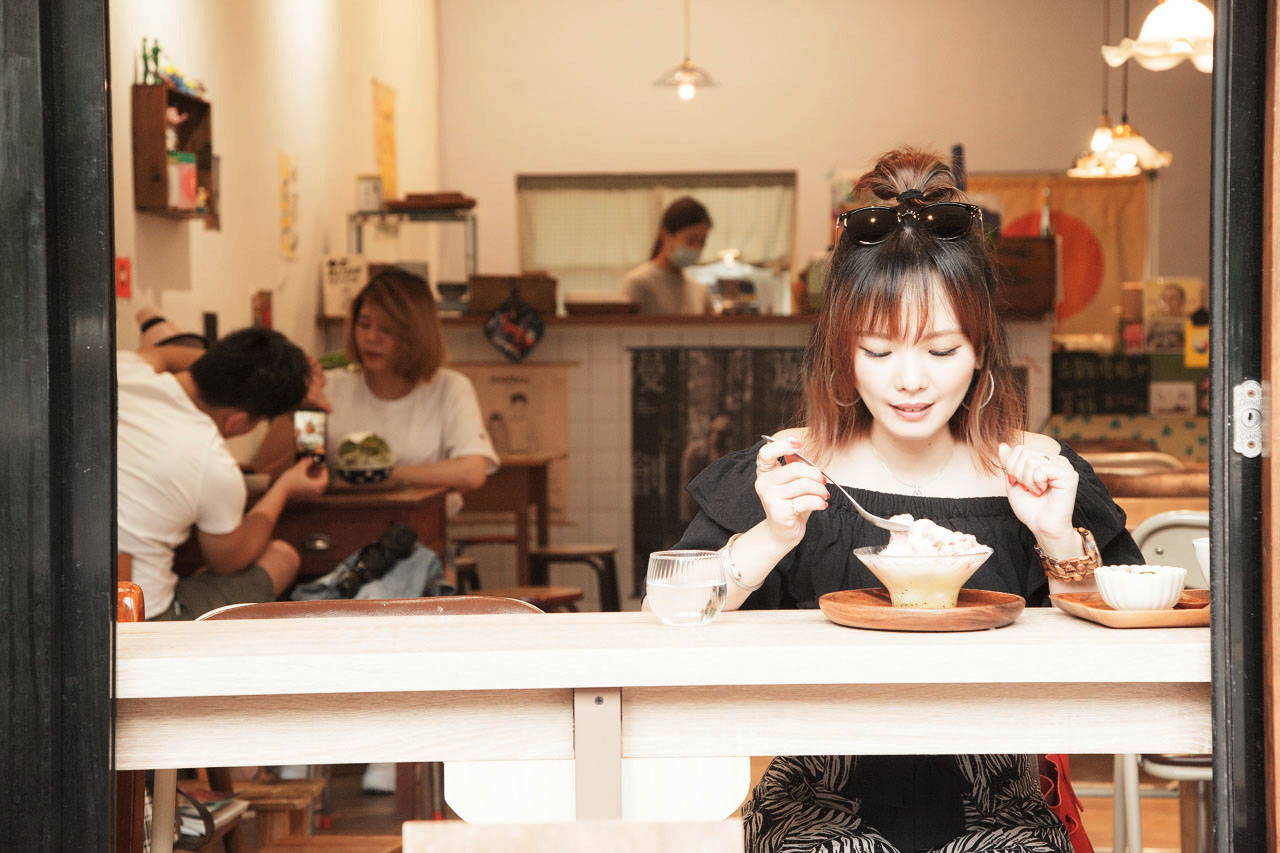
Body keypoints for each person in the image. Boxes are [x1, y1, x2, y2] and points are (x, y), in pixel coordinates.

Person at [672, 148, 1142, 853]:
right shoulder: (790, 466)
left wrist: (1057, 540)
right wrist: (770, 536)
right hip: (816, 803)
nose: (911, 381)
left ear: (981, 350)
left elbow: (1129, 654)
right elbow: (669, 614)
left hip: (999, 806)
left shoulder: (1039, 470)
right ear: (842, 349)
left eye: (942, 351)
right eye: (879, 351)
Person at [253, 267, 499, 795]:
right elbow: (266, 463)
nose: (371, 339)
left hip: (418, 547)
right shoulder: (337, 388)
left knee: (383, 595)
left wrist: (393, 475)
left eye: (387, 329)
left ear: (416, 334)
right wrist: (305, 406)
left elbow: (473, 470)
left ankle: (387, 744)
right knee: (307, 603)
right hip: (331, 546)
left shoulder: (447, 389)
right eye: (364, 324)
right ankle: (308, 739)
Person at [117, 326, 329, 621]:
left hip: (67, 601)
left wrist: (239, 367)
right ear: (237, 421)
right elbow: (229, 562)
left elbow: (161, 353)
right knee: (281, 556)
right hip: (140, 618)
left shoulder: (124, 370)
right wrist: (284, 488)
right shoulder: (211, 460)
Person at [622, 196, 715, 315]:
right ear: (665, 235)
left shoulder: (700, 291)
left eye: (702, 242)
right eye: (691, 240)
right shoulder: (638, 283)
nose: (697, 248)